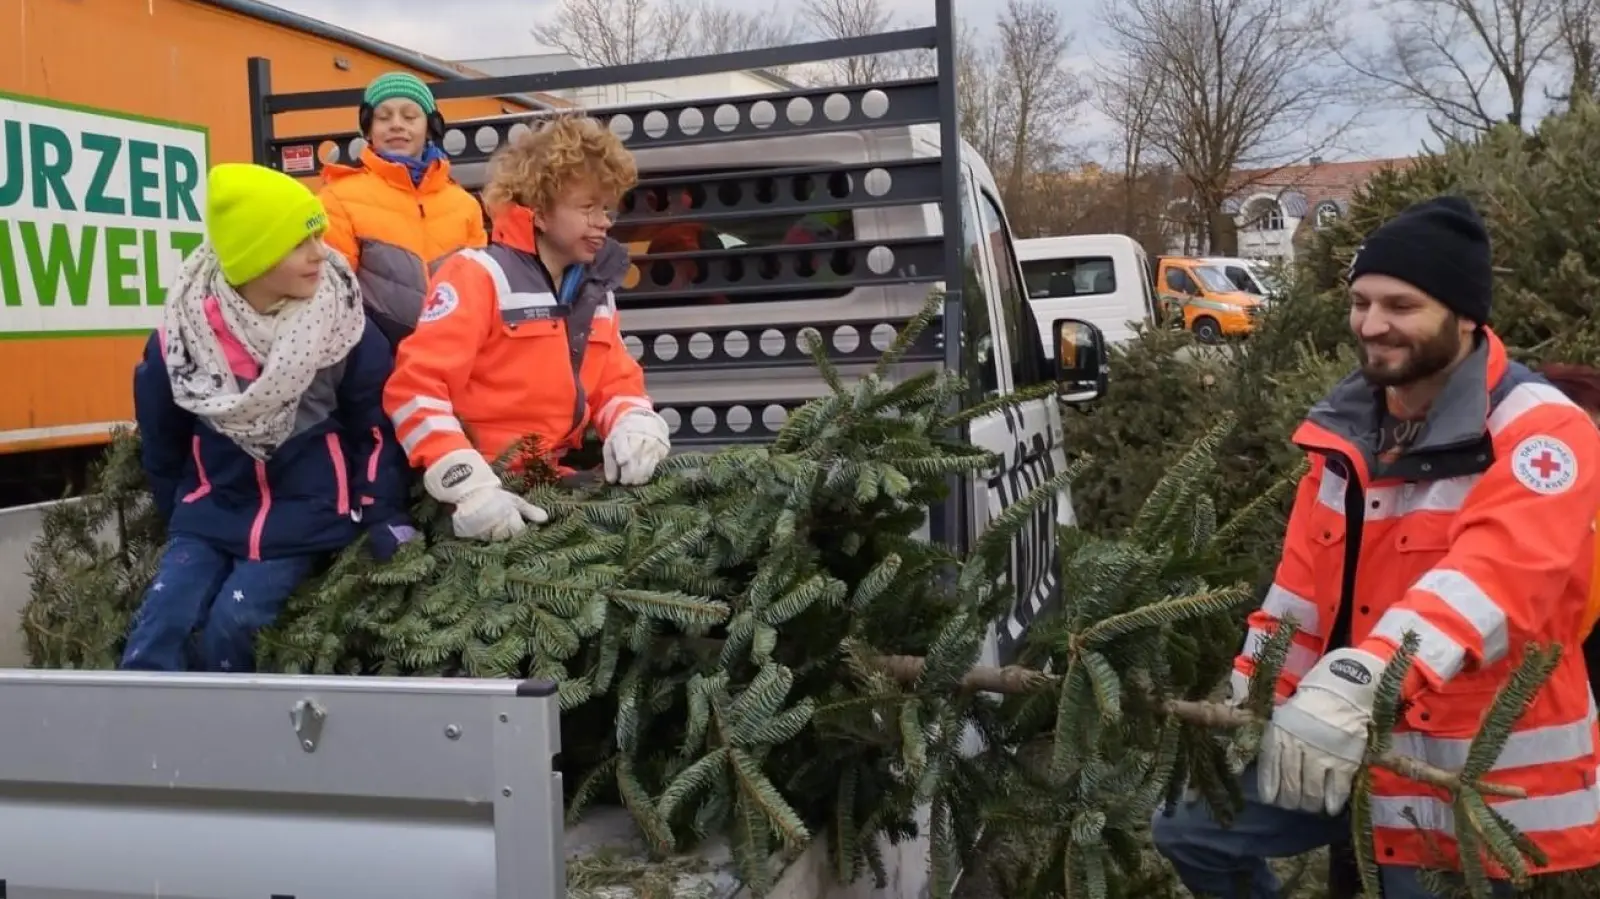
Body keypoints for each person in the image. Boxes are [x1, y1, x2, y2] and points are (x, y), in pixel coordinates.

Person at [1151, 195, 1600, 897]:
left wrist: (1360, 684)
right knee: (1190, 827)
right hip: (1345, 736)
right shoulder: (1349, 434)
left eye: (1400, 305)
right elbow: (1300, 589)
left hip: (1469, 779)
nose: (1371, 324)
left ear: (1466, 315)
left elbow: (1497, 579)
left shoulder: (1541, 433)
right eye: (1361, 301)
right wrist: (1250, 690)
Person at [122, 163, 413, 673]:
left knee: (235, 622)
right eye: (300, 243)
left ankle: (228, 736)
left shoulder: (343, 331)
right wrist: (180, 512)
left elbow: (374, 432)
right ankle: (143, 737)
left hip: (303, 520)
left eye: (319, 236)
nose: (320, 253)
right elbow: (163, 438)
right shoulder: (185, 341)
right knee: (162, 622)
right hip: (210, 517)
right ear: (253, 259)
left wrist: (382, 516)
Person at [382, 115, 671, 543]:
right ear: (538, 209)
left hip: (554, 479)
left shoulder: (593, 289)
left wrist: (636, 425)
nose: (604, 222)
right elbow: (416, 391)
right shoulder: (477, 275)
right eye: (587, 207)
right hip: (481, 492)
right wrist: (467, 485)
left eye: (607, 208)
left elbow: (615, 382)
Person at [318, 71, 488, 347]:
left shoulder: (465, 205)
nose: (397, 125)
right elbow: (330, 295)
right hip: (375, 366)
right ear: (368, 127)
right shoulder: (337, 198)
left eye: (410, 117)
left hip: (454, 354)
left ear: (430, 126)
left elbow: (480, 290)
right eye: (384, 117)